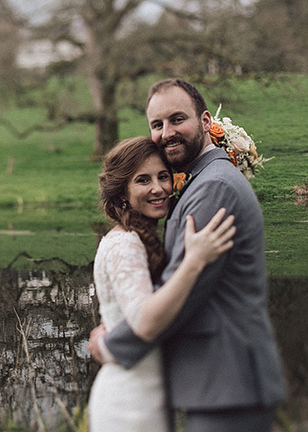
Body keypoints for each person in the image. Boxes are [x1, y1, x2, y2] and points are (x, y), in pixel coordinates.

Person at [89, 79, 286, 432]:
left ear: (206, 120)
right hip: (220, 383)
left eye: (177, 119)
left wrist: (111, 344)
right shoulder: (203, 180)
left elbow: (186, 290)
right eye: (157, 124)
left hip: (229, 379)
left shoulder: (213, 188)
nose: (167, 132)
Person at [88, 136, 237, 432]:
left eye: (163, 176)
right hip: (129, 400)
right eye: (143, 180)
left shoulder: (146, 239)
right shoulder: (125, 244)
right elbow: (145, 321)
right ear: (123, 194)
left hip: (152, 392)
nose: (158, 188)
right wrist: (194, 261)